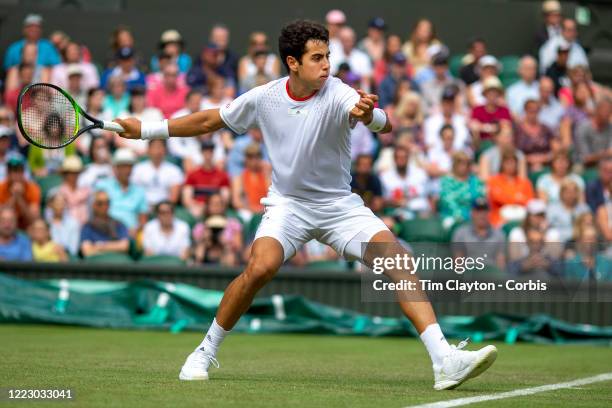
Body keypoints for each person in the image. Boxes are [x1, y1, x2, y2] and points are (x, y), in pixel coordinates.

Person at [114, 19, 497, 388]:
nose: (327, 65)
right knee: (259, 269)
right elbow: (209, 120)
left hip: (339, 207)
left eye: (328, 56)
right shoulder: (265, 97)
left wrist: (370, 116)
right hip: (288, 207)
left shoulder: (339, 91)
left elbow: (381, 120)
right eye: (317, 58)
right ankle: (203, 351)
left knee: (398, 260)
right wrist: (146, 129)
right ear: (293, 63)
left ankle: (444, 360)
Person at [94, 148, 148, 237]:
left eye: (129, 166)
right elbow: (96, 212)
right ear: (116, 168)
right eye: (123, 166)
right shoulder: (103, 185)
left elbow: (143, 220)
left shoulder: (140, 191)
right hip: (105, 231)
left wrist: (137, 230)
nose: (127, 170)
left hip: (131, 235)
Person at [451, 198, 506, 270]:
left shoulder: (499, 235)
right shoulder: (461, 233)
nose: (482, 215)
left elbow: (500, 263)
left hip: (491, 276)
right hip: (468, 276)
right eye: (478, 211)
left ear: (489, 213)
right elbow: (458, 263)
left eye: (485, 211)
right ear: (472, 213)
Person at [182, 140, 231, 218]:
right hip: (197, 209)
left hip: (216, 209)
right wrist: (198, 206)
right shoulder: (192, 174)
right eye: (205, 151)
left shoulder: (222, 175)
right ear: (201, 153)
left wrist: (213, 207)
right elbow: (187, 198)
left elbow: (225, 198)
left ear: (213, 153)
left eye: (210, 151)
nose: (208, 154)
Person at [380, 145, 431, 219]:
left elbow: (429, 196)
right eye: (399, 157)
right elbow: (383, 201)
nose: (401, 160)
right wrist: (393, 202)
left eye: (404, 157)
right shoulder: (385, 177)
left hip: (420, 212)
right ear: (394, 159)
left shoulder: (420, 174)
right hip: (397, 214)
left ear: (408, 158)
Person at [487, 150, 535, 227]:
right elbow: (495, 197)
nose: (510, 166)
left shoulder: (525, 182)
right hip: (500, 219)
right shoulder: (493, 181)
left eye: (513, 163)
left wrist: (505, 197)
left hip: (521, 218)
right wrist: (517, 198)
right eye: (507, 163)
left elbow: (530, 202)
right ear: (502, 164)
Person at [438, 151, 486, 229]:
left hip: (473, 217)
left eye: (467, 164)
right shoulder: (447, 181)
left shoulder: (475, 181)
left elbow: (480, 199)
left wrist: (474, 215)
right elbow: (448, 202)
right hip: (451, 217)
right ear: (455, 165)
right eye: (460, 164)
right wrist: (463, 216)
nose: (464, 167)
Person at [131, 139, 184, 207]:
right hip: (142, 207)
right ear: (148, 149)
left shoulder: (174, 170)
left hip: (165, 209)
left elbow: (173, 198)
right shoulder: (138, 169)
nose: (157, 151)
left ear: (165, 150)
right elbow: (134, 192)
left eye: (159, 147)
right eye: (154, 147)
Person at [79, 190, 130, 257]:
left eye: (107, 202)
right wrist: (114, 247)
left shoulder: (119, 224)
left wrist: (100, 246)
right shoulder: (88, 227)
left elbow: (125, 246)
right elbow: (87, 251)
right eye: (100, 203)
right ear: (93, 205)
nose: (104, 206)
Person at [514, 99, 558, 172]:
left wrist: (543, 158)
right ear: (525, 111)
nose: (533, 114)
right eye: (530, 111)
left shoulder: (546, 129)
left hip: (546, 164)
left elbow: (556, 149)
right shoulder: (517, 130)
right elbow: (513, 151)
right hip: (523, 166)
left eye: (536, 111)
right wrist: (529, 159)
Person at [423, 85, 470, 152]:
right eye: (446, 102)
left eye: (451, 102)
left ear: (454, 104)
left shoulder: (462, 121)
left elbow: (463, 140)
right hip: (437, 156)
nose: (448, 106)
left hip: (458, 155)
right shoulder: (431, 122)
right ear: (442, 103)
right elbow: (430, 143)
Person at [0, 153, 40, 230]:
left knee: (36, 227)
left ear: (23, 172)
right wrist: (14, 197)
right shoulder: (1, 187)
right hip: (5, 227)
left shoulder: (32, 188)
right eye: (12, 171)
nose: (15, 174)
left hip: (26, 227)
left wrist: (20, 198)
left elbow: (33, 219)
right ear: (7, 173)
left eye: (18, 171)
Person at [231, 143, 269, 222]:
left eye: (257, 157)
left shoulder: (266, 175)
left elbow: (271, 197)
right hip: (248, 211)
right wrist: (253, 209)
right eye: (250, 158)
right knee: (244, 216)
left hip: (265, 210)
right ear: (246, 159)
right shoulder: (239, 178)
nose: (254, 161)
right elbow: (236, 202)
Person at [469, 76, 512, 147]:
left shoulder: (504, 110)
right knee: (474, 128)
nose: (492, 95)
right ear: (485, 94)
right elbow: (474, 126)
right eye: (489, 92)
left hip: (499, 144)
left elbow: (506, 127)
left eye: (495, 93)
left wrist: (483, 127)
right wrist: (494, 128)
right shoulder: (477, 109)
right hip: (481, 144)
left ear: (498, 94)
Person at [329, 26, 373, 91]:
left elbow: (366, 82)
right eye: (344, 40)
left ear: (354, 40)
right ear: (340, 40)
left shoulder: (363, 58)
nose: (347, 43)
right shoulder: (331, 57)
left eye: (349, 40)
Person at [574, 98, 612, 169]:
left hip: (605, 165)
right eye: (605, 110)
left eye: (610, 111)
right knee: (577, 169)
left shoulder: (610, 128)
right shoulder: (583, 127)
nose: (608, 113)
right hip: (583, 165)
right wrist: (606, 153)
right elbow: (585, 158)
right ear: (597, 110)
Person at [54, 156, 90, 225]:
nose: (74, 175)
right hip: (66, 230)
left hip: (85, 229)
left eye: (77, 172)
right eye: (71, 172)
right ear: (65, 174)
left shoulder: (85, 191)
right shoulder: (59, 193)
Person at [45, 192, 80, 256]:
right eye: (57, 203)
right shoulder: (45, 224)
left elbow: (73, 249)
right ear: (50, 204)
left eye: (62, 203)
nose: (60, 206)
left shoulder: (73, 223)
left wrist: (61, 250)